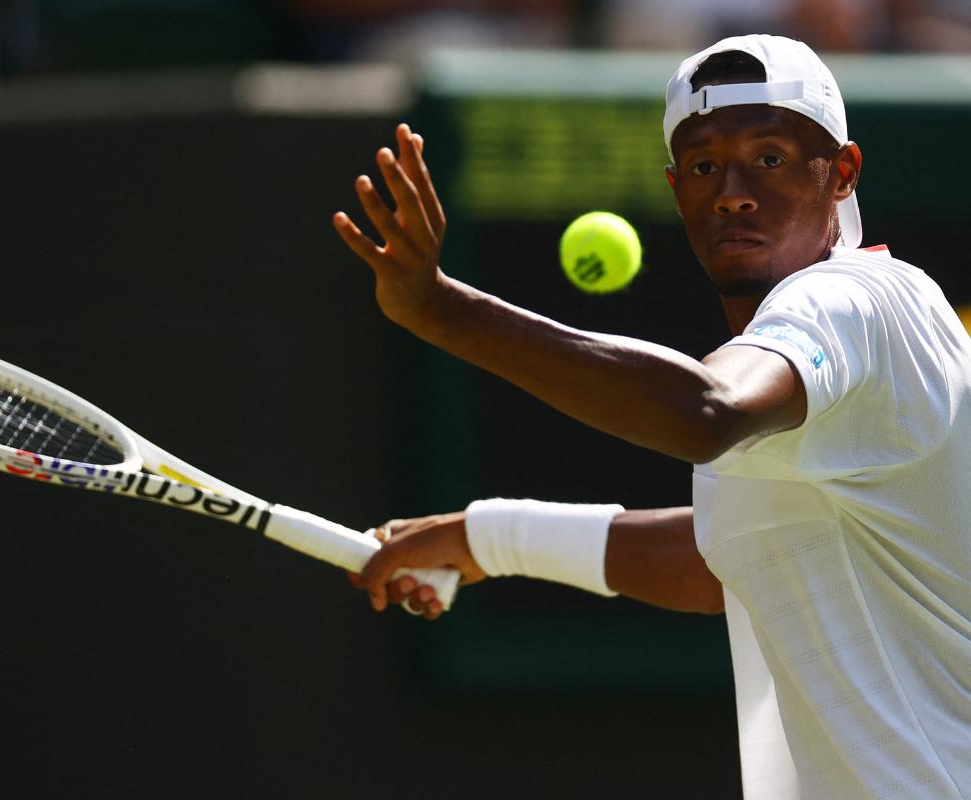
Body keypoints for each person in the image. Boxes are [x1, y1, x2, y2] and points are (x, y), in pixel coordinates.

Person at [333, 34, 971, 800]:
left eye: (769, 157)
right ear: (678, 190)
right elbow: (721, 562)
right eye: (705, 166)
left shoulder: (853, 302)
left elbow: (707, 411)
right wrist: (487, 536)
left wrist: (442, 310)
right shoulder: (865, 346)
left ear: (840, 173)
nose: (733, 190)